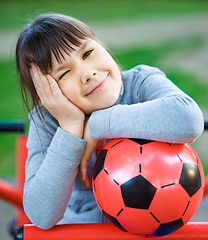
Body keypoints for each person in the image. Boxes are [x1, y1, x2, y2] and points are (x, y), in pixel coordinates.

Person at [16, 13, 204, 230]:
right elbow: (41, 215)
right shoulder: (47, 122)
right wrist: (70, 127)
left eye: (88, 53)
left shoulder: (140, 82)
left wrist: (99, 124)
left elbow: (189, 119)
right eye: (64, 73)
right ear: (47, 94)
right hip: (82, 233)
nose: (88, 73)